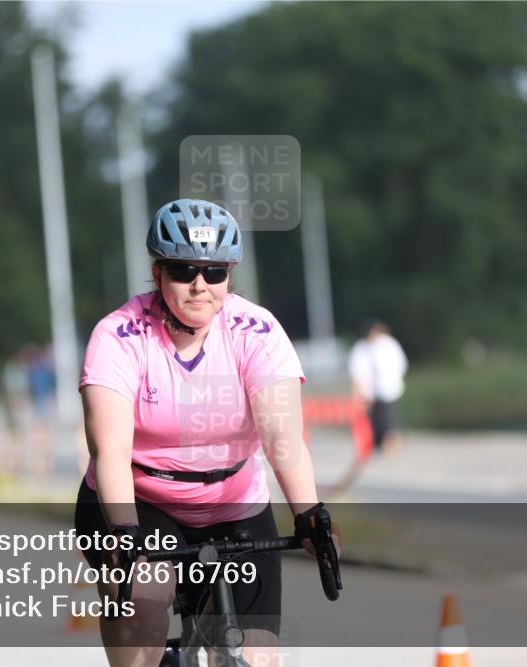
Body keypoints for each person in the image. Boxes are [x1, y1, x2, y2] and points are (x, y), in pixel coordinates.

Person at [74, 198, 341, 666]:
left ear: (229, 277)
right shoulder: (118, 336)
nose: (200, 285)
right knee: (145, 601)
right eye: (183, 270)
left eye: (215, 272)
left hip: (233, 501)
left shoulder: (255, 332)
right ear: (157, 273)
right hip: (139, 499)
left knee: (254, 656)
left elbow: (283, 438)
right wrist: (124, 532)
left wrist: (310, 514)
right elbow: (110, 452)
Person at [348, 319, 408, 456]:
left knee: (389, 420)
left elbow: (400, 366)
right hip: (371, 393)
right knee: (377, 420)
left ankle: (390, 444)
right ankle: (379, 444)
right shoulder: (363, 347)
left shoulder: (388, 344)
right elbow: (357, 372)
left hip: (389, 390)